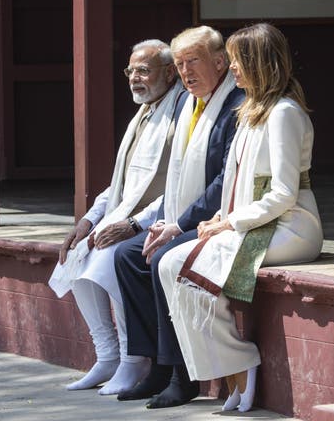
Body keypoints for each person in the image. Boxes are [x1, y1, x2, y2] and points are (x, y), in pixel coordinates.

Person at [158, 23, 323, 412]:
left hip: (289, 228)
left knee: (189, 270)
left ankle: (240, 362)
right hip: (252, 223)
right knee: (169, 265)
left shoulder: (284, 113)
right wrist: (220, 216)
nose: (232, 69)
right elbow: (236, 183)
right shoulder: (251, 113)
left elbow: (283, 193)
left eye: (236, 61)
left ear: (259, 63)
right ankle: (227, 367)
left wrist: (229, 223)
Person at [114, 25, 245, 409]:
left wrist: (179, 224)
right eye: (181, 63)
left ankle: (181, 374)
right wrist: (163, 221)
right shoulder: (190, 102)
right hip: (181, 217)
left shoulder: (234, 105)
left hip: (219, 219)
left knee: (160, 261)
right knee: (127, 256)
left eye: (194, 61)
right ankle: (155, 364)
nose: (185, 72)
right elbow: (175, 173)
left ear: (220, 63)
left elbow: (225, 183)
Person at [48, 39, 187, 395]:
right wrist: (89, 220)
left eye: (144, 70)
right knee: (77, 256)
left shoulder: (182, 111)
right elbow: (120, 186)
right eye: (130, 71)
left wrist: (132, 225)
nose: (134, 78)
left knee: (110, 257)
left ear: (169, 73)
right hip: (127, 216)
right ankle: (107, 355)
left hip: (161, 218)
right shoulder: (143, 113)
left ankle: (132, 358)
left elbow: (179, 187)